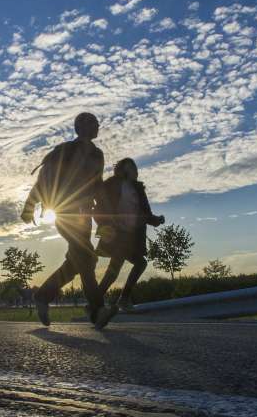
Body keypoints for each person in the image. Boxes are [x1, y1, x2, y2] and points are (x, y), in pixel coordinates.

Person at [21, 112, 107, 327]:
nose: (97, 126)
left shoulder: (97, 154)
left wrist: (105, 217)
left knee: (77, 260)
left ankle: (43, 295)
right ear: (81, 127)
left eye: (97, 123)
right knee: (86, 257)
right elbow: (45, 179)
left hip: (84, 214)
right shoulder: (66, 150)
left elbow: (98, 186)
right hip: (64, 210)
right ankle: (97, 309)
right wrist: (29, 206)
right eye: (93, 122)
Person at [94, 158, 165, 325]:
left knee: (137, 264)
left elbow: (146, 213)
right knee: (116, 268)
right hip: (117, 235)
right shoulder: (111, 184)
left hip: (133, 236)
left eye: (136, 168)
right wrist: (105, 222)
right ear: (124, 169)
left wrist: (157, 220)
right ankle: (104, 300)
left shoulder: (138, 189)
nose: (135, 170)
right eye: (132, 167)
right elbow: (99, 202)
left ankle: (110, 299)